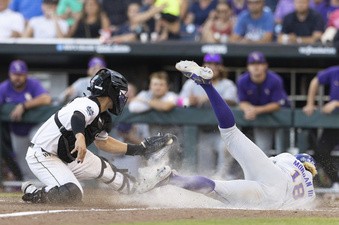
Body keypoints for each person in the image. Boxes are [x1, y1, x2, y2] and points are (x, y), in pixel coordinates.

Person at [138, 60, 317, 210]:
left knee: (230, 133)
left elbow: (261, 165)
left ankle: (206, 85)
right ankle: (171, 179)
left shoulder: (288, 160)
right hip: (270, 202)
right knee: (215, 188)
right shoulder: (310, 193)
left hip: (272, 180)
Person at [20, 68, 174, 204]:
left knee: (105, 169)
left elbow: (104, 143)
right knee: (73, 193)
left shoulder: (103, 117)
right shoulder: (89, 104)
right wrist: (80, 137)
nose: (122, 96)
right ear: (111, 91)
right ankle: (35, 192)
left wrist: (140, 149)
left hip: (67, 154)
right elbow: (77, 117)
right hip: (42, 154)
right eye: (120, 92)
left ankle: (136, 188)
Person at [178, 53, 237, 179]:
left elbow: (232, 101)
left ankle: (226, 184)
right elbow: (179, 102)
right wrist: (188, 102)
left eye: (216, 64)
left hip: (223, 134)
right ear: (204, 66)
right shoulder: (191, 84)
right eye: (209, 64)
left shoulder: (227, 84)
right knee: (205, 172)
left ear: (221, 67)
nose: (212, 67)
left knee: (223, 171)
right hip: (202, 132)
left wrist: (207, 96)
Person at [0, 60, 52, 181]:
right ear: (10, 74)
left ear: (25, 75)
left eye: (20, 74)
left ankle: (50, 182)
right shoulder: (4, 87)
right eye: (15, 74)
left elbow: (46, 99)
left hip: (36, 128)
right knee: (24, 166)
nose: (17, 77)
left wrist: (24, 106)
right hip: (17, 131)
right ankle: (34, 189)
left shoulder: (32, 84)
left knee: (40, 152)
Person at [237, 51, 290, 156]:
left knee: (283, 152)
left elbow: (277, 104)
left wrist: (255, 110)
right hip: (261, 119)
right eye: (253, 64)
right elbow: (242, 101)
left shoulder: (275, 80)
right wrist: (248, 109)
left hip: (281, 118)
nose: (256, 67)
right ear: (248, 66)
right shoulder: (242, 80)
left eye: (259, 64)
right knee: (262, 151)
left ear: (265, 66)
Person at [302, 65, 339, 189]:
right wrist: (310, 103)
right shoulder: (335, 71)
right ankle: (336, 182)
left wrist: (336, 103)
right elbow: (316, 80)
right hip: (334, 122)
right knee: (321, 151)